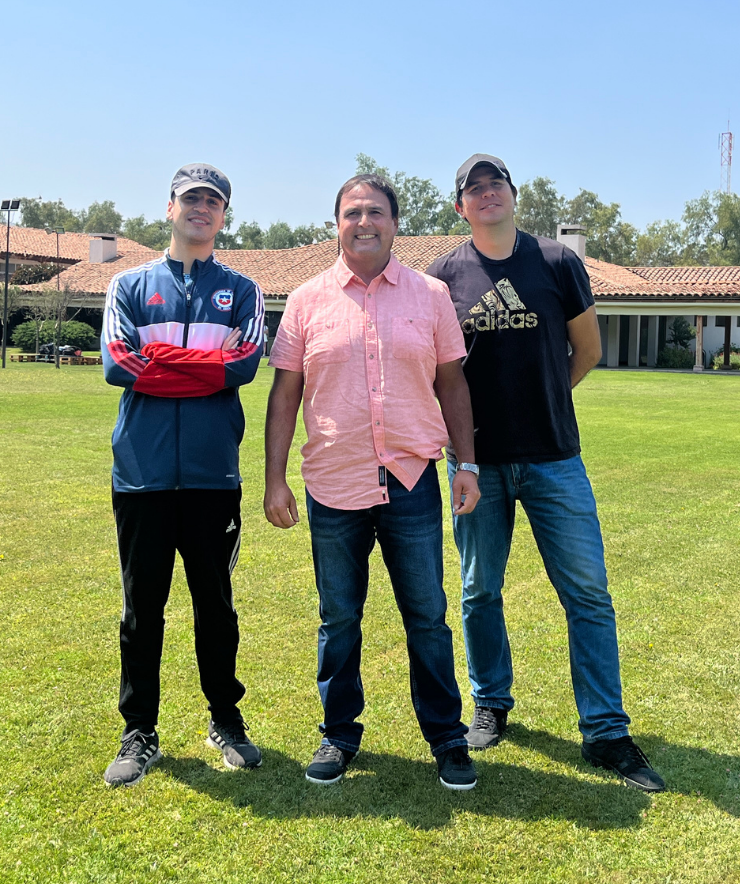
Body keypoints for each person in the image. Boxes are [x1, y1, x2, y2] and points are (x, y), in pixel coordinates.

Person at [425, 153, 665, 792]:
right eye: (474, 189)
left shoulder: (557, 262)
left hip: (555, 458)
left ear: (513, 194)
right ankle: (490, 703)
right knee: (479, 589)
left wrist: (546, 399)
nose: (487, 194)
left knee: (587, 593)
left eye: (496, 184)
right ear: (460, 207)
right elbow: (435, 371)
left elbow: (587, 350)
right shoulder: (442, 277)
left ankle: (606, 731)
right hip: (476, 464)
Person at [265, 173, 482, 791]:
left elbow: (452, 384)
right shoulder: (305, 301)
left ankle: (447, 738)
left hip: (412, 480)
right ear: (336, 224)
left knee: (428, 616)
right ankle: (338, 734)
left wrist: (467, 464)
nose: (365, 223)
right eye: (353, 213)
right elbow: (285, 394)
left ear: (395, 223)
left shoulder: (431, 295)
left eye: (376, 212)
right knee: (338, 619)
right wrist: (274, 479)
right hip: (334, 484)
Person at [101, 162, 266, 788]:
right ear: (170, 208)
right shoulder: (127, 285)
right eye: (190, 198)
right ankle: (139, 730)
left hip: (211, 476)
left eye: (213, 201)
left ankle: (226, 719)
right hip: (140, 475)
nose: (201, 208)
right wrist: (205, 368)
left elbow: (243, 366)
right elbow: (118, 365)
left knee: (215, 608)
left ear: (224, 215)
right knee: (141, 610)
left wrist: (162, 362)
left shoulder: (243, 291)